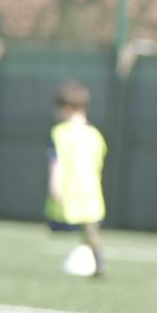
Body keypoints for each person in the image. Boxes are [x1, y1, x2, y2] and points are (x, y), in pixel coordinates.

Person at [45, 79, 108, 277]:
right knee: (90, 227)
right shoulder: (95, 134)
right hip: (91, 189)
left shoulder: (60, 133)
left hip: (69, 189)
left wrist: (54, 185)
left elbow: (56, 162)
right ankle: (98, 261)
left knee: (62, 225)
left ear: (66, 109)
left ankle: (90, 259)